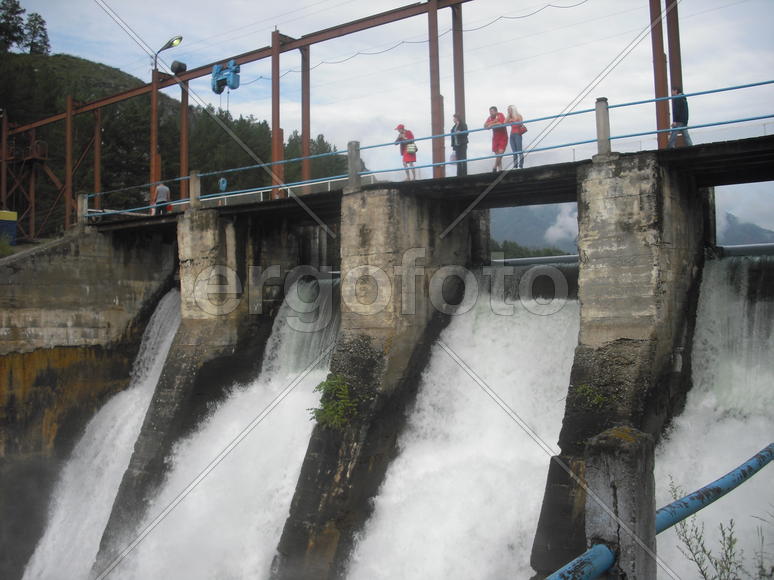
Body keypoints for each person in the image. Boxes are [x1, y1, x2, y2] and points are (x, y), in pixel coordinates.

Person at [484, 106, 507, 172]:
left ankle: (494, 167)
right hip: (495, 138)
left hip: (503, 137)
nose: (490, 113)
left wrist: (491, 124)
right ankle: (500, 169)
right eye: (490, 112)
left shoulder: (500, 115)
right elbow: (485, 125)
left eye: (492, 111)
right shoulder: (490, 118)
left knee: (500, 153)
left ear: (496, 111)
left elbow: (501, 123)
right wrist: (494, 122)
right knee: (497, 155)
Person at [505, 105, 526, 169]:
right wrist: (509, 117)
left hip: (517, 134)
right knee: (514, 151)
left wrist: (513, 121)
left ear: (512, 109)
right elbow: (504, 123)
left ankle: (521, 165)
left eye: (509, 109)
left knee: (519, 150)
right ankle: (515, 165)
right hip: (512, 135)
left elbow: (521, 124)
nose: (508, 111)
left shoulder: (518, 116)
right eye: (507, 110)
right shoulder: (509, 117)